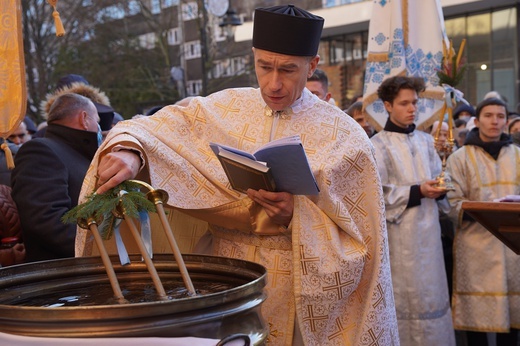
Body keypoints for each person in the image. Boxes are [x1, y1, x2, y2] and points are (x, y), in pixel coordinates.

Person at [75, 5, 399, 345]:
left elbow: (365, 243)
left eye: (289, 70)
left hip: (299, 292)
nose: (274, 83)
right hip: (226, 278)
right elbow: (146, 127)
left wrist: (296, 217)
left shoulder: (345, 136)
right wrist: (130, 151)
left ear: (312, 65)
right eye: (264, 66)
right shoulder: (222, 107)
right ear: (254, 58)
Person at [370, 76, 455, 345]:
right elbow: (375, 196)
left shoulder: (427, 142)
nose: (412, 109)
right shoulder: (377, 145)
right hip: (399, 240)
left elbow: (439, 178)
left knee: (432, 295)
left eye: (414, 103)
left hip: (429, 236)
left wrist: (442, 187)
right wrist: (418, 191)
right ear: (387, 105)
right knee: (405, 299)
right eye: (404, 103)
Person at [446, 97, 520, 346]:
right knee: (476, 323)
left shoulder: (518, 155)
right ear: (477, 121)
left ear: (507, 121)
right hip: (476, 247)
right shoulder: (460, 158)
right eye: (489, 115)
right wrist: (485, 212)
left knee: (513, 324)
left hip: (513, 248)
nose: (495, 121)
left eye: (500, 116)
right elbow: (451, 202)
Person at [11, 93, 101, 262]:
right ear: (84, 119)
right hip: (64, 275)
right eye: (97, 120)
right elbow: (46, 220)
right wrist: (101, 246)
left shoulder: (77, 153)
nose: (99, 128)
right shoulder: (40, 151)